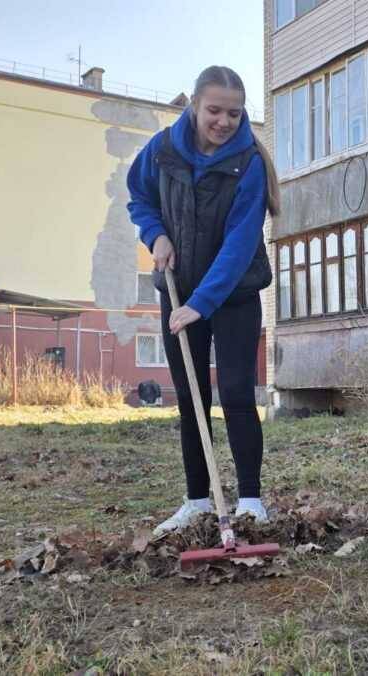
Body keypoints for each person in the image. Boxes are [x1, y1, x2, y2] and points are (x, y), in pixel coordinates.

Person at [126, 66, 281, 535]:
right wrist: (155, 237)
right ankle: (196, 500)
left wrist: (203, 302)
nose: (224, 121)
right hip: (178, 289)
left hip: (232, 294)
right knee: (192, 399)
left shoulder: (248, 162)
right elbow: (139, 197)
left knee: (236, 394)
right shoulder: (162, 149)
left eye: (234, 113)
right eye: (214, 110)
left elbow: (239, 242)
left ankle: (251, 500)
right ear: (194, 105)